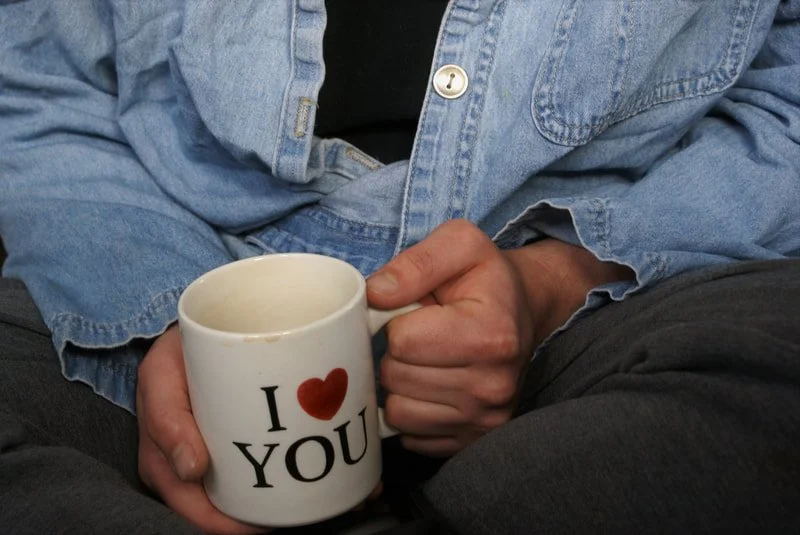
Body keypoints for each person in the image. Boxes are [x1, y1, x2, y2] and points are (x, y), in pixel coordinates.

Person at [1, 1, 799, 533]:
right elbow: (42, 89)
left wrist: (556, 282)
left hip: (606, 278)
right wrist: (168, 321)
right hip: (175, 243)